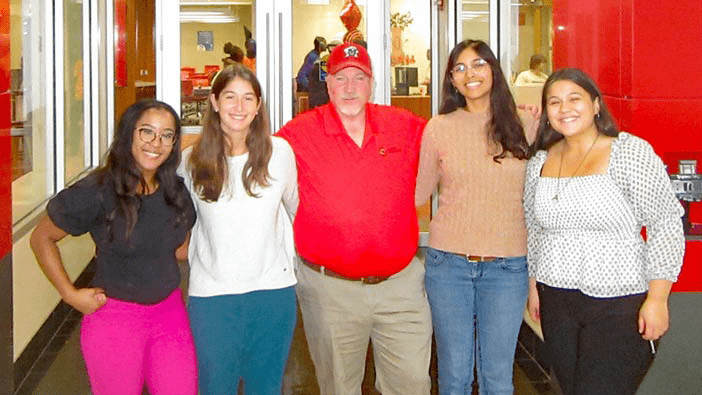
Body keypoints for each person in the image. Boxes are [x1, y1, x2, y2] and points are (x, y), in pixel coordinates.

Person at [277, 42, 432, 395]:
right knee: (338, 387)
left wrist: (516, 122)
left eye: (358, 78)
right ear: (328, 84)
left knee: (412, 383)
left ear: (372, 83)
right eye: (341, 78)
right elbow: (251, 154)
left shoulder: (403, 125)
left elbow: (454, 141)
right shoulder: (299, 133)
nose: (349, 87)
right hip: (331, 291)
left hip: (400, 288)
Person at [523, 68, 685, 395]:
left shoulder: (629, 152)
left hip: (620, 303)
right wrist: (534, 286)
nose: (564, 108)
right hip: (557, 302)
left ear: (596, 104)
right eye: (554, 102)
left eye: (574, 99)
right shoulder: (539, 161)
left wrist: (658, 298)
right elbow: (535, 229)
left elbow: (665, 223)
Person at [30, 99, 197, 395]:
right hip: (115, 322)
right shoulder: (98, 190)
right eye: (147, 132)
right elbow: (41, 237)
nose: (156, 143)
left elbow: (176, 249)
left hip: (170, 317)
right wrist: (70, 294)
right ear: (129, 133)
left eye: (166, 135)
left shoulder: (175, 190)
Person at [415, 39, 537, 395]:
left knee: (497, 379)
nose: (471, 74)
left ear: (494, 71)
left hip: (508, 268)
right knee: (453, 376)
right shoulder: (438, 127)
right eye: (460, 68)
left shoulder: (526, 124)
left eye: (479, 64)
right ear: (452, 80)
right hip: (448, 265)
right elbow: (417, 195)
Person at [178, 64, 298, 395]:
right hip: (212, 298)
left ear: (259, 105)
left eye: (248, 98)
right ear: (214, 102)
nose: (239, 107)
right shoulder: (190, 161)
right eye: (230, 97)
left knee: (266, 387)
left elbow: (296, 210)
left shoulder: (280, 154)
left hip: (273, 293)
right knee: (215, 387)